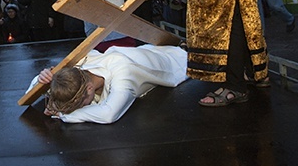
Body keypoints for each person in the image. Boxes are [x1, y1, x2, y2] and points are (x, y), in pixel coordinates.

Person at [27, 44, 188, 124]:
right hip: (141, 51)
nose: (80, 108)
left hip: (177, 60)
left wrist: (64, 115)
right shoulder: (77, 69)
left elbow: (109, 114)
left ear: (89, 89)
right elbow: (30, 93)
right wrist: (42, 79)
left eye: (79, 104)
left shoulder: (124, 74)